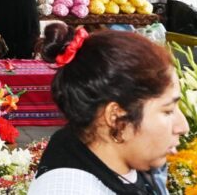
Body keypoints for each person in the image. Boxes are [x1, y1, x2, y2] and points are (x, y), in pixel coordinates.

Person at [28, 24, 188, 194]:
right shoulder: (71, 188)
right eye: (168, 110)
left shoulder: (89, 151)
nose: (183, 126)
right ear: (116, 118)